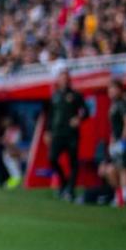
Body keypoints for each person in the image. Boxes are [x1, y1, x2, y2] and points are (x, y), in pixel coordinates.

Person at [46, 70, 88, 200]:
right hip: (57, 133)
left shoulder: (76, 95)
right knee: (52, 159)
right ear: (58, 80)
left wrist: (78, 119)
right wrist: (48, 131)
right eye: (62, 78)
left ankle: (70, 189)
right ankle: (64, 183)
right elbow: (50, 115)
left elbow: (86, 111)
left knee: (73, 162)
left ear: (69, 80)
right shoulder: (55, 96)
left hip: (71, 134)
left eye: (66, 78)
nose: (64, 81)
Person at [101, 77, 126, 206]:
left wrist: (124, 140)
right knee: (112, 169)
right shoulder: (113, 105)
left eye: (113, 88)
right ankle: (119, 194)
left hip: (123, 142)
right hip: (115, 142)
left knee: (123, 167)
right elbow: (113, 128)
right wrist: (112, 142)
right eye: (109, 89)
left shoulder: (123, 103)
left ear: (119, 90)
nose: (111, 91)